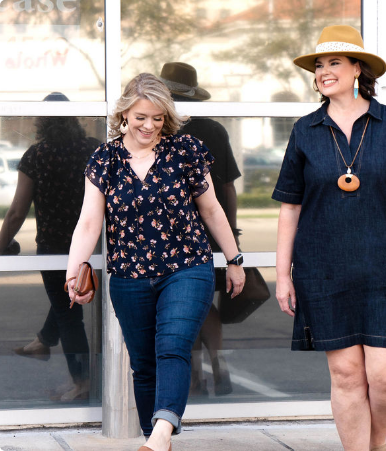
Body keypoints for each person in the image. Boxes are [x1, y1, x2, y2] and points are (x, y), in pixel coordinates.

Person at [272, 25, 386, 451]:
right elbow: (290, 207)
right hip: (322, 270)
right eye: (319, 65)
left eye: (334, 63)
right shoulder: (305, 130)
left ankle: (375, 443)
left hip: (382, 269)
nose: (324, 72)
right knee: (346, 376)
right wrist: (282, 274)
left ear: (357, 69)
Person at [65, 73, 245, 451]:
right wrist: (73, 271)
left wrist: (234, 259)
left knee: (173, 346)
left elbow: (211, 209)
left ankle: (162, 434)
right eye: (141, 117)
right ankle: (157, 439)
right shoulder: (105, 158)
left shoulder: (186, 151)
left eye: (158, 118)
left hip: (186, 266)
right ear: (125, 114)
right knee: (144, 365)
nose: (149, 126)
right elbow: (88, 221)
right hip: (129, 276)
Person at [0, 93, 97, 402]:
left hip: (54, 248)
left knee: (68, 315)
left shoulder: (36, 155)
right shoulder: (93, 149)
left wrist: (1, 245)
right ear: (73, 119)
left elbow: (17, 212)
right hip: (91, 245)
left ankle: (82, 384)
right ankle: (43, 340)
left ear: (42, 122)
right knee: (66, 304)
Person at [160, 61, 242, 396]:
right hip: (211, 231)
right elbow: (228, 189)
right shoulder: (214, 130)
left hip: (170, 232)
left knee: (183, 305)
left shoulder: (161, 130)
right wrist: (231, 236)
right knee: (202, 302)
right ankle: (218, 366)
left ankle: (196, 375)